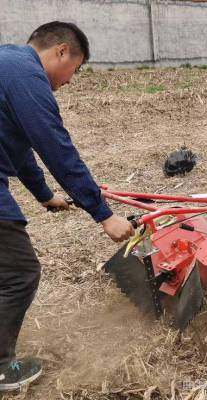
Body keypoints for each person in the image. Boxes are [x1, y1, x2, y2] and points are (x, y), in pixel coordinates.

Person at [0, 21, 134, 390]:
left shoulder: (7, 65)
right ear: (60, 51)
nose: (71, 80)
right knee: (18, 275)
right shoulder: (27, 76)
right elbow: (56, 148)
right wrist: (104, 214)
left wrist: (44, 194)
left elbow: (20, 148)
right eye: (75, 68)